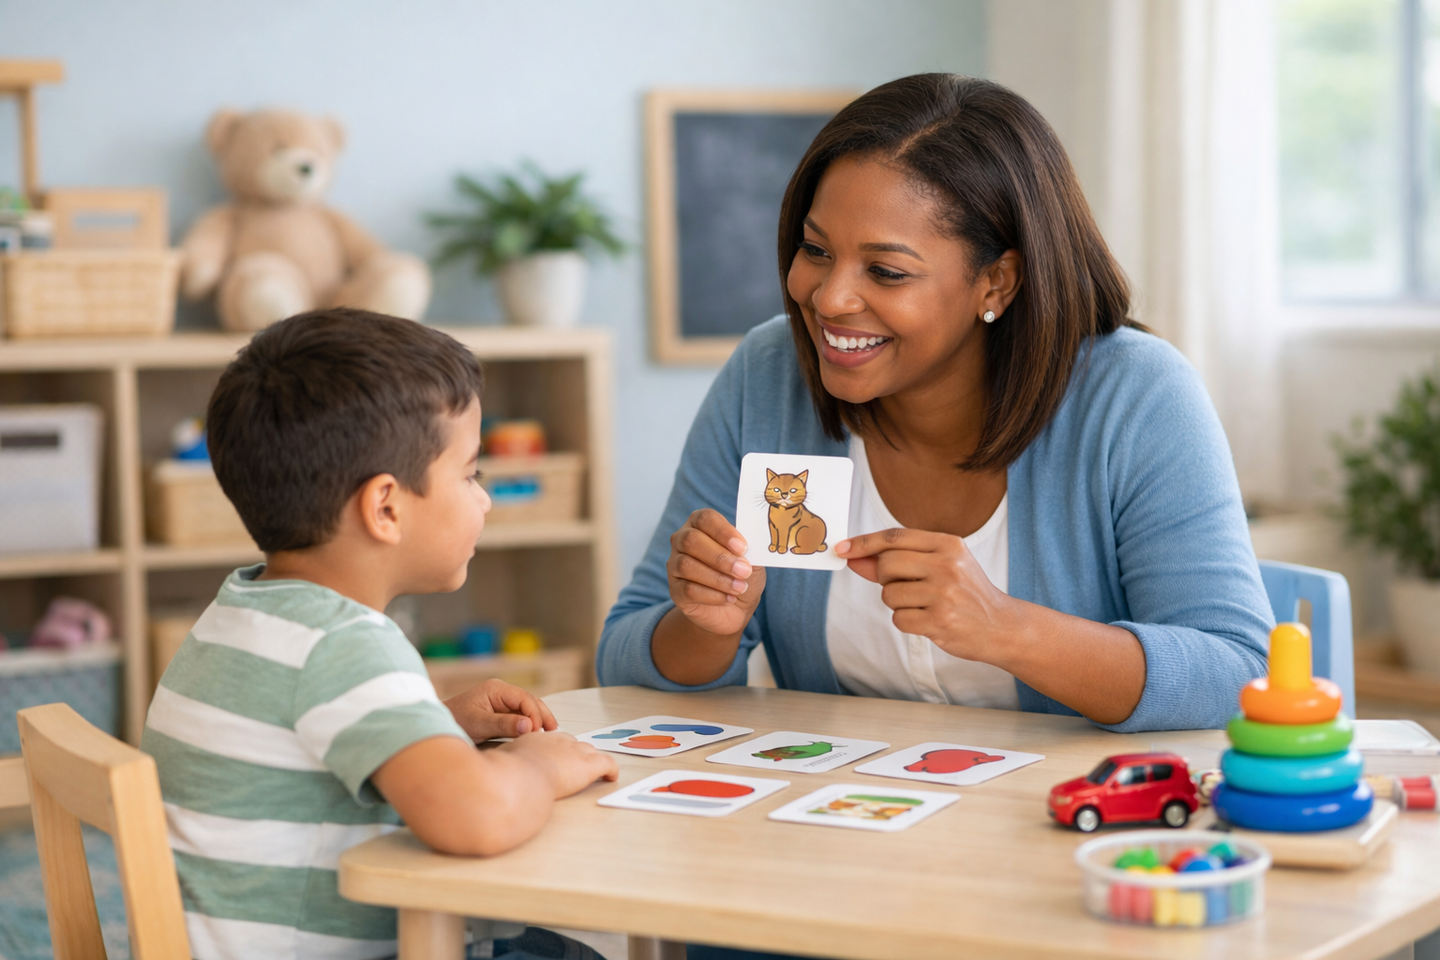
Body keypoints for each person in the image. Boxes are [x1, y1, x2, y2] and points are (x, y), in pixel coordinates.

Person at [599, 73, 1274, 737]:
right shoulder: (768, 375)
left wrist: (1007, 628)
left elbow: (1238, 674)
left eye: (886, 271)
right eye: (815, 250)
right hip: (847, 823)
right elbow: (623, 655)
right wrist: (702, 624)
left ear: (997, 281)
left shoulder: (1136, 395)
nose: (830, 298)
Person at [140, 309, 618, 960]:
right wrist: (538, 764)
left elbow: (298, 745)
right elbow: (475, 819)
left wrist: (433, 725)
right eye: (470, 474)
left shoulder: (247, 609)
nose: (484, 500)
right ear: (386, 507)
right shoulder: (344, 644)